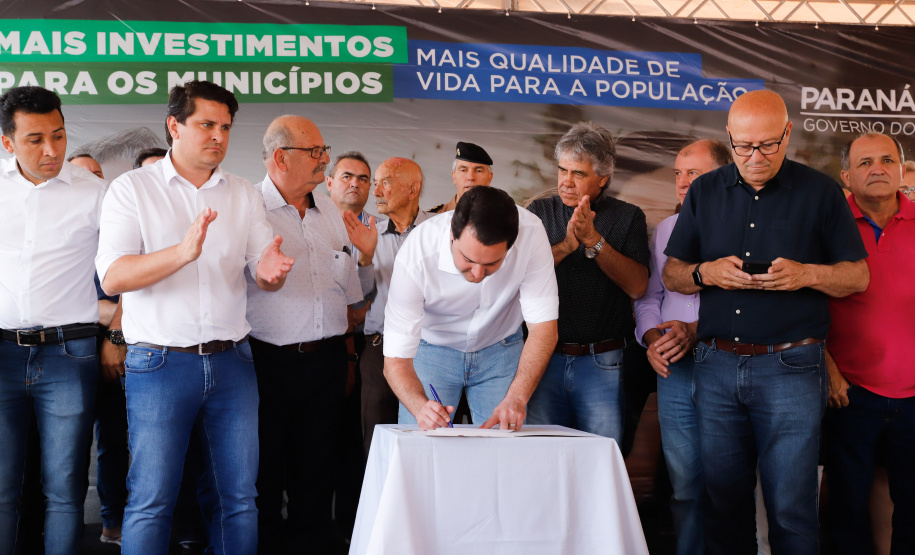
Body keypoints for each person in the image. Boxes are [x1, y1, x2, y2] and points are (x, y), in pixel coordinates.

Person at [662, 89, 869, 555]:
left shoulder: (820, 193)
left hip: (791, 367)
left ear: (788, 134)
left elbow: (858, 276)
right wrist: (704, 272)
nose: (755, 157)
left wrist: (807, 275)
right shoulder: (705, 191)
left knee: (792, 511)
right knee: (723, 507)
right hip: (715, 367)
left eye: (768, 145)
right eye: (743, 146)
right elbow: (672, 273)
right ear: (729, 137)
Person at [95, 80, 294, 555]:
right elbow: (114, 276)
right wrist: (182, 252)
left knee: (239, 500)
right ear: (174, 126)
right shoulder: (132, 189)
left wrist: (270, 276)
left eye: (225, 127)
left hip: (232, 364)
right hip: (159, 364)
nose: (218, 136)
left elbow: (263, 271)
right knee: (151, 500)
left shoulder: (242, 192)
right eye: (206, 124)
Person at [246, 115, 362, 554]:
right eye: (315, 152)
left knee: (317, 476)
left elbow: (347, 289)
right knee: (264, 477)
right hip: (266, 364)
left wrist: (348, 357)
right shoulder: (249, 209)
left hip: (328, 362)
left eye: (323, 149)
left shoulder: (329, 209)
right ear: (280, 157)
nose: (325, 159)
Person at [0, 85, 106, 555]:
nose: (51, 150)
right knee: (1, 488)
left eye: (59, 136)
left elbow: (122, 272)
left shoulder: (97, 194)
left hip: (70, 352)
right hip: (1, 351)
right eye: (35, 139)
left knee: (64, 489)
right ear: (8, 143)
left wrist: (118, 331)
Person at [384, 186, 559, 430]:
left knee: (505, 448)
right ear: (452, 237)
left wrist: (517, 398)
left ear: (510, 246)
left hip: (501, 349)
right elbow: (395, 360)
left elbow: (544, 329)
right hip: (432, 349)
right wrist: (419, 406)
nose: (477, 274)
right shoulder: (417, 252)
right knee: (422, 440)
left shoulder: (531, 233)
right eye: (468, 260)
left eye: (492, 263)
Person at [633, 139, 731, 555]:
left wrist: (697, 327)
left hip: (729, 364)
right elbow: (648, 296)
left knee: (729, 481)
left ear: (723, 176)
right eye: (678, 173)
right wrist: (652, 338)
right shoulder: (668, 230)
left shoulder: (743, 226)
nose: (683, 181)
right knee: (685, 484)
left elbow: (756, 304)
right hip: (676, 370)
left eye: (694, 172)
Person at [526, 121, 649, 441]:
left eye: (578, 174)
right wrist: (567, 247)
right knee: (542, 456)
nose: (566, 181)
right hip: (544, 358)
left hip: (603, 362)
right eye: (562, 170)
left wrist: (594, 240)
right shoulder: (539, 211)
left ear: (603, 178)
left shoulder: (628, 216)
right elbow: (518, 276)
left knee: (600, 459)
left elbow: (638, 287)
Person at [826, 133, 915, 555]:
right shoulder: (826, 227)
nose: (877, 168)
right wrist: (827, 370)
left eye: (886, 159)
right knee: (846, 509)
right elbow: (804, 308)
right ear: (846, 176)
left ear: (901, 169)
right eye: (864, 163)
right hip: (848, 394)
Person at [344, 157, 433, 454]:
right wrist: (366, 258)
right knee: (376, 437)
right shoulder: (368, 234)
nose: (376, 190)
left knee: (427, 432)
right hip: (378, 348)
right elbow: (357, 299)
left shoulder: (438, 233)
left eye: (386, 181)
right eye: (376, 182)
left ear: (413, 189)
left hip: (431, 349)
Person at [428, 141, 493, 213]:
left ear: (489, 178)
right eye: (463, 170)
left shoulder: (504, 217)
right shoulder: (433, 218)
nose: (470, 177)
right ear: (454, 177)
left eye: (478, 171)